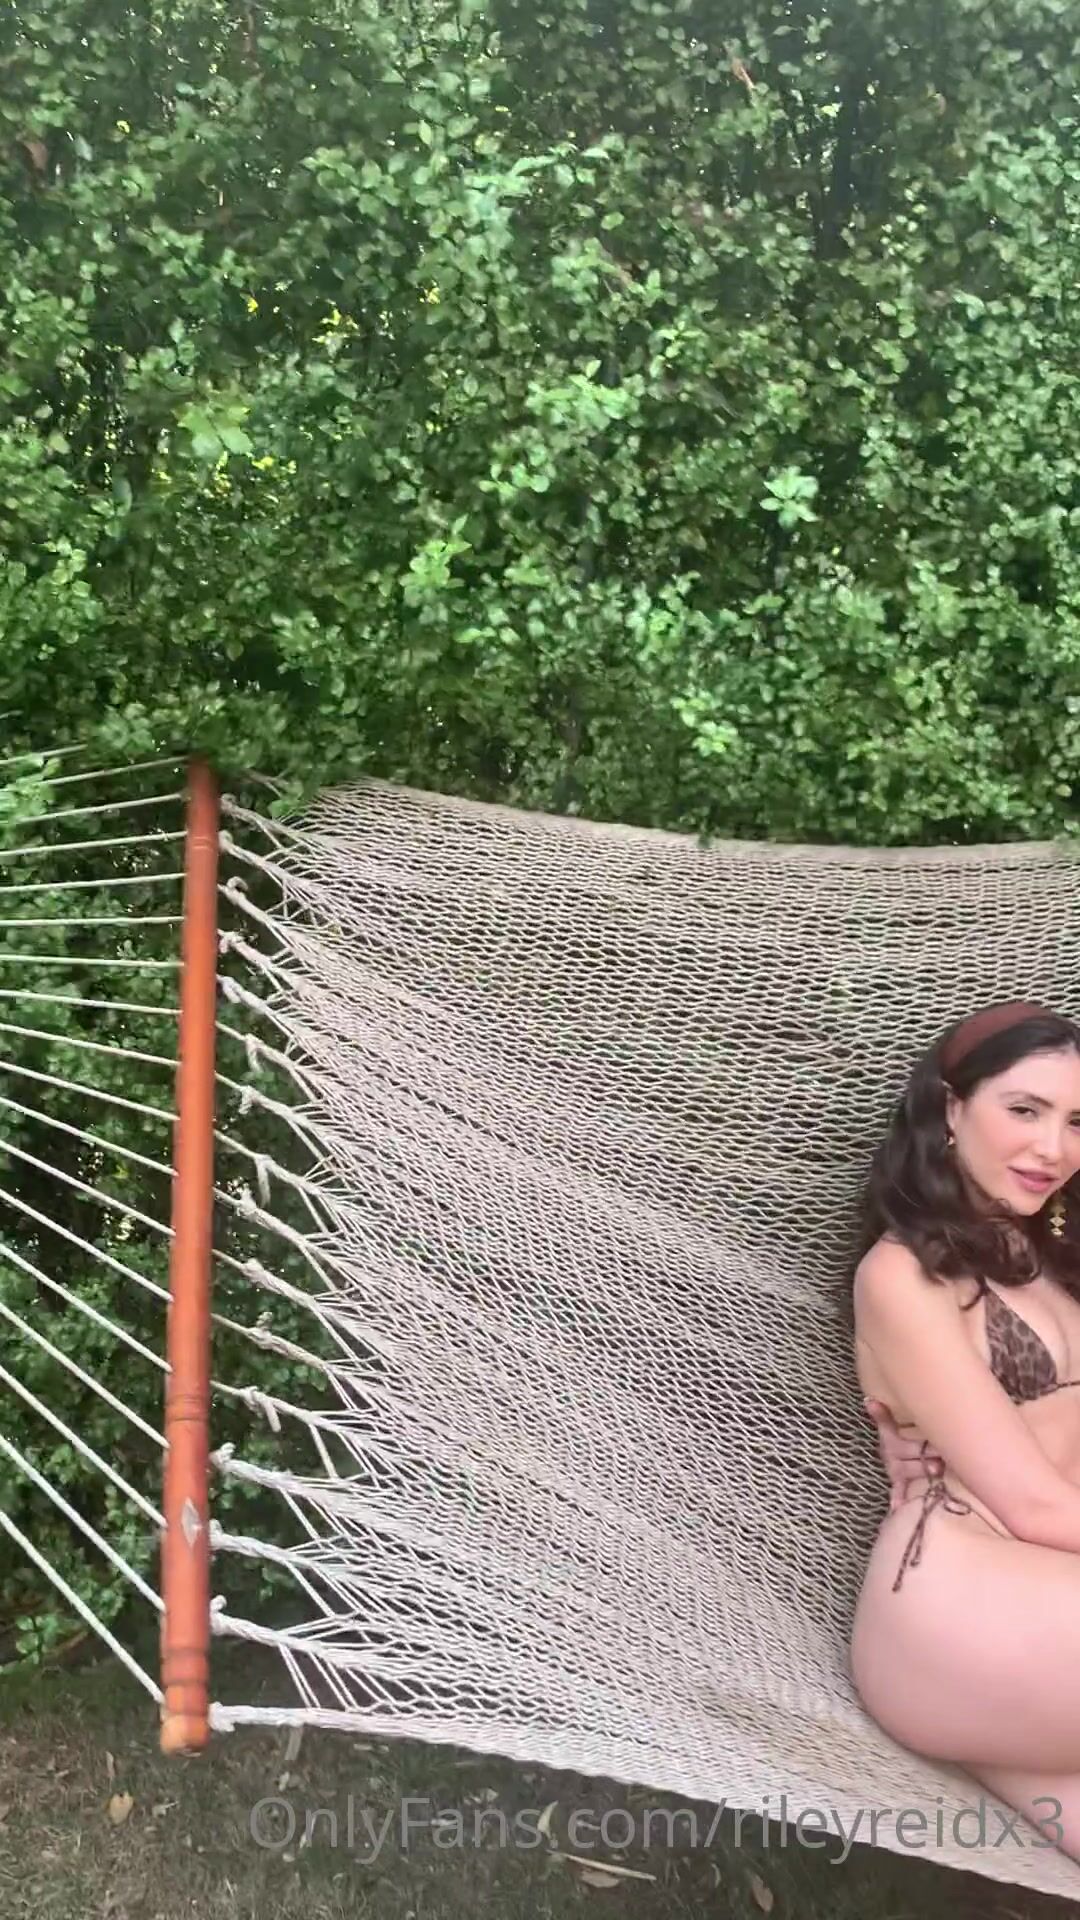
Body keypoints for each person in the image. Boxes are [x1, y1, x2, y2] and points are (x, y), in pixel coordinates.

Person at [849, 999, 1080, 1862]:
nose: (1052, 1148)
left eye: (1078, 1123)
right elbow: (1028, 1503)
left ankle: (1012, 1745)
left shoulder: (1044, 1256)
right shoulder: (903, 1275)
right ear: (951, 1109)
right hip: (959, 1603)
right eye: (1024, 1109)